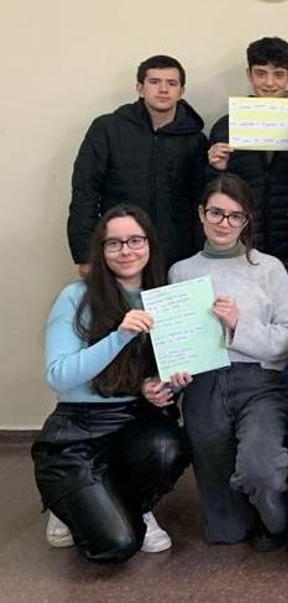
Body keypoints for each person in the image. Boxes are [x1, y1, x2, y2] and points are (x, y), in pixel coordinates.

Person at [146, 174, 288, 549]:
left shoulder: (268, 268)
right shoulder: (181, 272)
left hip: (258, 382)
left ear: (247, 221)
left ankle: (276, 519)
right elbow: (177, 345)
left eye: (235, 216)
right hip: (204, 386)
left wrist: (238, 325)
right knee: (226, 532)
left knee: (260, 470)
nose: (224, 224)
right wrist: (175, 377)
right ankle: (244, 508)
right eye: (216, 213)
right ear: (201, 214)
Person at [34, 205, 190, 562]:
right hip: (77, 432)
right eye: (114, 243)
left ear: (149, 244)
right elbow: (59, 375)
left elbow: (156, 373)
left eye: (135, 240)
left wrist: (166, 386)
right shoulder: (76, 297)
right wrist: (118, 335)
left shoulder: (164, 296)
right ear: (101, 251)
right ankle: (66, 503)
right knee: (117, 546)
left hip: (133, 421)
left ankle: (137, 503)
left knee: (169, 446)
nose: (126, 251)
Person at [204, 36, 288, 441]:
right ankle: (253, 428)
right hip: (246, 254)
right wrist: (213, 166)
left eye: (278, 73)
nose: (269, 82)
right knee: (243, 342)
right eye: (261, 73)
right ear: (249, 74)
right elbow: (211, 197)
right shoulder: (227, 124)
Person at [68, 55, 208, 272]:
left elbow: (203, 201)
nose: (163, 89)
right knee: (119, 307)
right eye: (154, 82)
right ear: (140, 88)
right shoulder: (107, 129)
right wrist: (86, 254)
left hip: (177, 256)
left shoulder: (196, 140)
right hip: (120, 251)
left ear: (181, 92)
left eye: (172, 83)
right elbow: (85, 192)